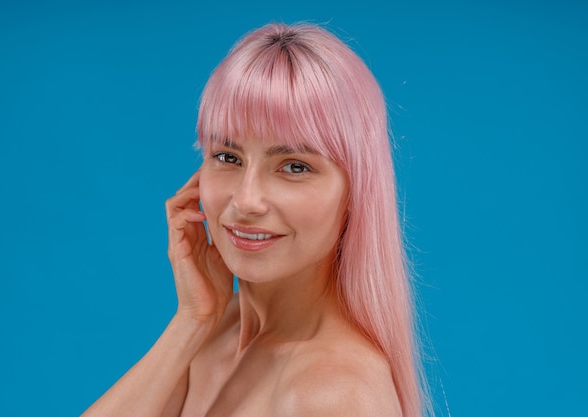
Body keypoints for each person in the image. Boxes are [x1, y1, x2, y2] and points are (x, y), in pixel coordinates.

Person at [82, 22, 429, 417]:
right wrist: (192, 320)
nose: (246, 201)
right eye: (228, 157)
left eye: (295, 166)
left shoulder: (333, 392)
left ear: (356, 192)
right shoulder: (216, 331)